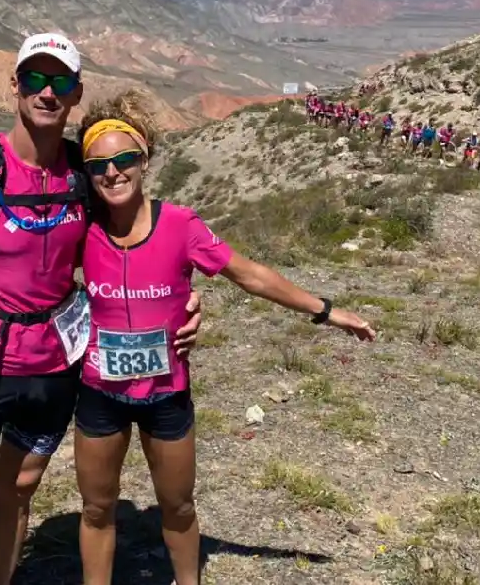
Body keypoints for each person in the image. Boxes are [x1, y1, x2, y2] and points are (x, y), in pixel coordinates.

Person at [0, 34, 204, 585]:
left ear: (76, 95)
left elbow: (141, 237)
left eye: (60, 83)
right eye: (34, 79)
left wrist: (187, 301)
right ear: (15, 85)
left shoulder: (88, 175)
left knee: (18, 492)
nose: (46, 92)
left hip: (55, 372)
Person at [72, 95, 376, 585]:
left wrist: (325, 310)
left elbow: (249, 275)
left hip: (165, 394)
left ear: (145, 159)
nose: (113, 172)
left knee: (179, 506)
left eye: (124, 159)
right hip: (98, 393)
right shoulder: (80, 228)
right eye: (99, 165)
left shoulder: (180, 225)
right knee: (95, 509)